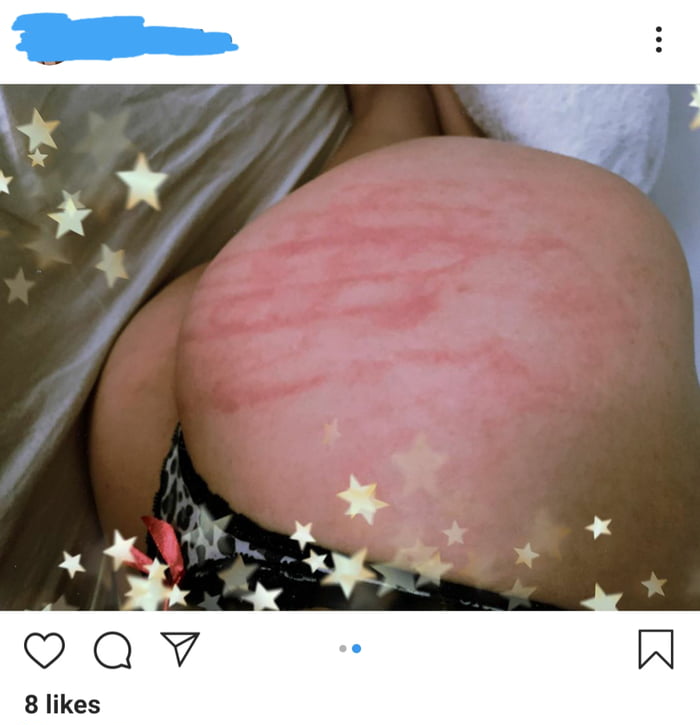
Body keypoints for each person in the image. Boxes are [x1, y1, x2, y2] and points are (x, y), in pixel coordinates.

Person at [88, 85, 700, 610]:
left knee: (163, 363)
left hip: (216, 536)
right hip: (228, 533)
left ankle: (413, 118)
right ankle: (423, 123)